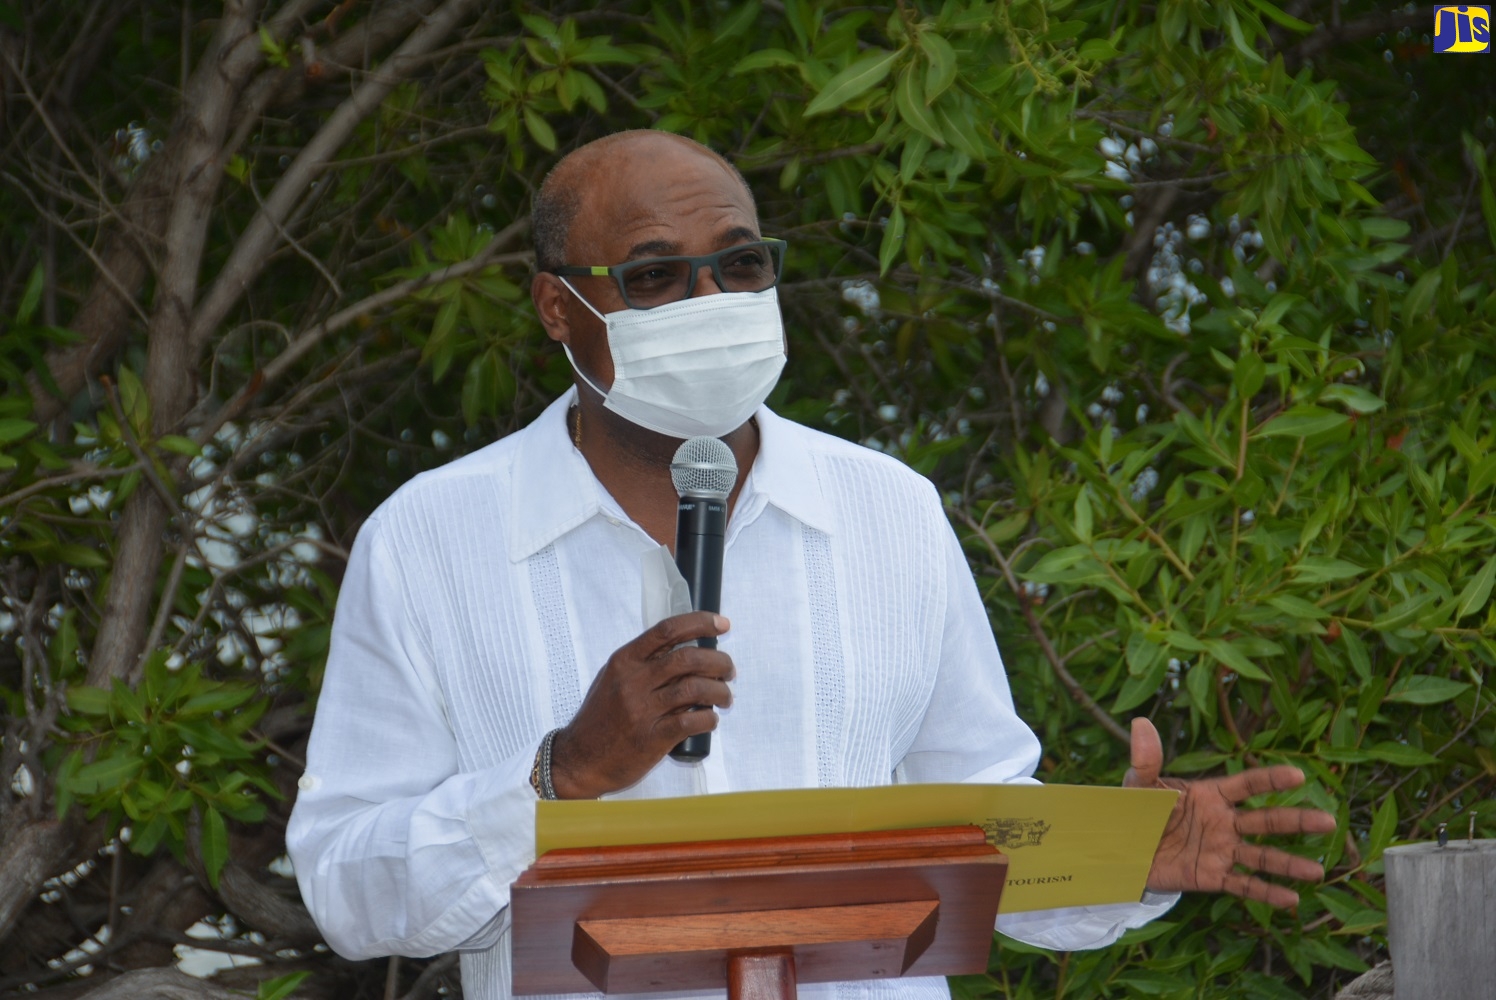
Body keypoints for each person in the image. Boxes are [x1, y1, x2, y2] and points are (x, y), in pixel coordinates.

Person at [285, 130, 1335, 1000]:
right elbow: (345, 887)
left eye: (739, 265)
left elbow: (974, 824)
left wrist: (1120, 856)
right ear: (559, 308)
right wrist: (561, 777)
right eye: (654, 275)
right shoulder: (428, 542)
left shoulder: (887, 511)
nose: (709, 300)